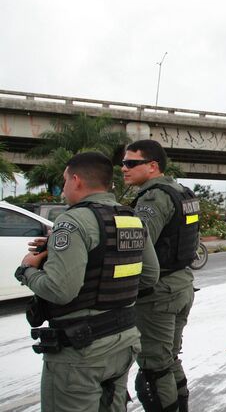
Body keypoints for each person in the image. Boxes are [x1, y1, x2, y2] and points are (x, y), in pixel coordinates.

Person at [15, 151, 159, 411]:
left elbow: (60, 291)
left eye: (65, 180)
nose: (63, 189)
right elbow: (150, 275)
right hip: (123, 340)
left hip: (82, 350)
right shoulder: (131, 218)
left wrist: (27, 271)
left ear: (77, 180)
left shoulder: (72, 221)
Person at [122, 140, 199, 412]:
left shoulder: (154, 197)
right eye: (123, 163)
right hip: (181, 285)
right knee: (169, 359)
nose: (124, 168)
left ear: (152, 166)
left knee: (154, 368)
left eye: (131, 163)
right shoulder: (183, 192)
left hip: (159, 294)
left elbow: (138, 247)